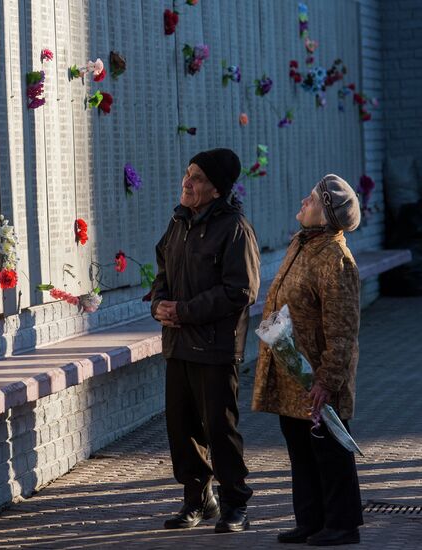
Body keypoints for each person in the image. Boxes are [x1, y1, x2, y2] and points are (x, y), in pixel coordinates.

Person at [151, 148, 261, 533]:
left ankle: (236, 505)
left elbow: (241, 290)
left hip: (215, 347)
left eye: (196, 177)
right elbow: (163, 266)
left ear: (216, 189)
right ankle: (197, 500)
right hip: (178, 344)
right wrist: (160, 303)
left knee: (220, 429)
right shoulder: (179, 220)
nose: (187, 182)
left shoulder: (234, 228)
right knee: (181, 428)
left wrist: (185, 311)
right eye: (187, 173)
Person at [252, 174, 363, 546]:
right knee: (301, 448)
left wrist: (327, 380)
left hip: (318, 377)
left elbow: (342, 328)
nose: (304, 200)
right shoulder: (303, 243)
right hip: (292, 375)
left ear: (327, 214)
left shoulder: (336, 259)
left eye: (313, 198)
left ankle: (342, 525)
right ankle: (311, 520)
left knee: (329, 452)